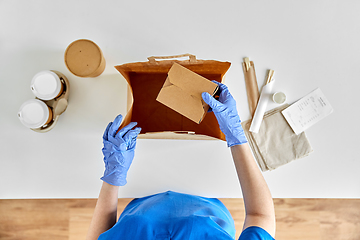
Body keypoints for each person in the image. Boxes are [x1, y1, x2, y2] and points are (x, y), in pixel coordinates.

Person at [86, 82, 276, 240]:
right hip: (207, 197)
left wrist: (113, 176)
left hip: (142, 198)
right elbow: (259, 216)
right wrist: (236, 136)